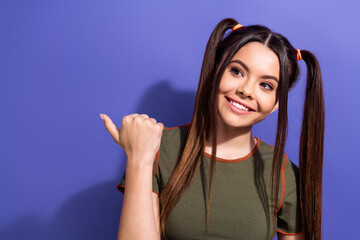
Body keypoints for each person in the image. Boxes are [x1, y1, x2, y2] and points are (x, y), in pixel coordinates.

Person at [100, 18, 324, 240]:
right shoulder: (159, 148)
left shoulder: (283, 173)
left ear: (276, 104)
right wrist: (139, 157)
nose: (246, 90)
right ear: (214, 71)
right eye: (237, 71)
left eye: (266, 85)